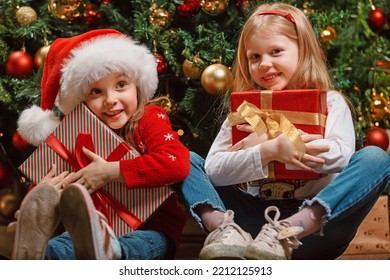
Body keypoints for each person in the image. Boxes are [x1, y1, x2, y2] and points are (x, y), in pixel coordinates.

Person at [179, 2, 390, 260]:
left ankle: (290, 230)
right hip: (253, 228)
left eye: (276, 51)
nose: (264, 64)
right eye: (254, 57)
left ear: (303, 51)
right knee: (184, 161)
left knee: (376, 158)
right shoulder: (245, 112)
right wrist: (266, 150)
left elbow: (339, 157)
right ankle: (224, 231)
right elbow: (213, 170)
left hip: (315, 229)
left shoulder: (331, 103)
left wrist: (284, 141)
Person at [9, 29, 190, 260]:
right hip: (90, 233)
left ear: (138, 86)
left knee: (134, 245)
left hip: (152, 230)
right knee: (63, 245)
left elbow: (177, 165)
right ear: (81, 101)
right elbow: (48, 185)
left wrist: (110, 171)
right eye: (96, 91)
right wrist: (40, 198)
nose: (110, 99)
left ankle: (107, 252)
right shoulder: (77, 133)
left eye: (121, 84)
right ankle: (37, 256)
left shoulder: (149, 118)